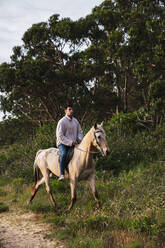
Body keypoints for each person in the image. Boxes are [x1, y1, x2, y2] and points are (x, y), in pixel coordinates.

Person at [56, 104, 83, 181]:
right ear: (65, 111)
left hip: (74, 143)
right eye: (69, 109)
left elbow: (80, 132)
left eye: (72, 109)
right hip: (63, 143)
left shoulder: (76, 121)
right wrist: (70, 142)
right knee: (64, 154)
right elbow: (60, 136)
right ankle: (61, 174)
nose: (71, 111)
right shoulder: (62, 121)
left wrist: (79, 138)